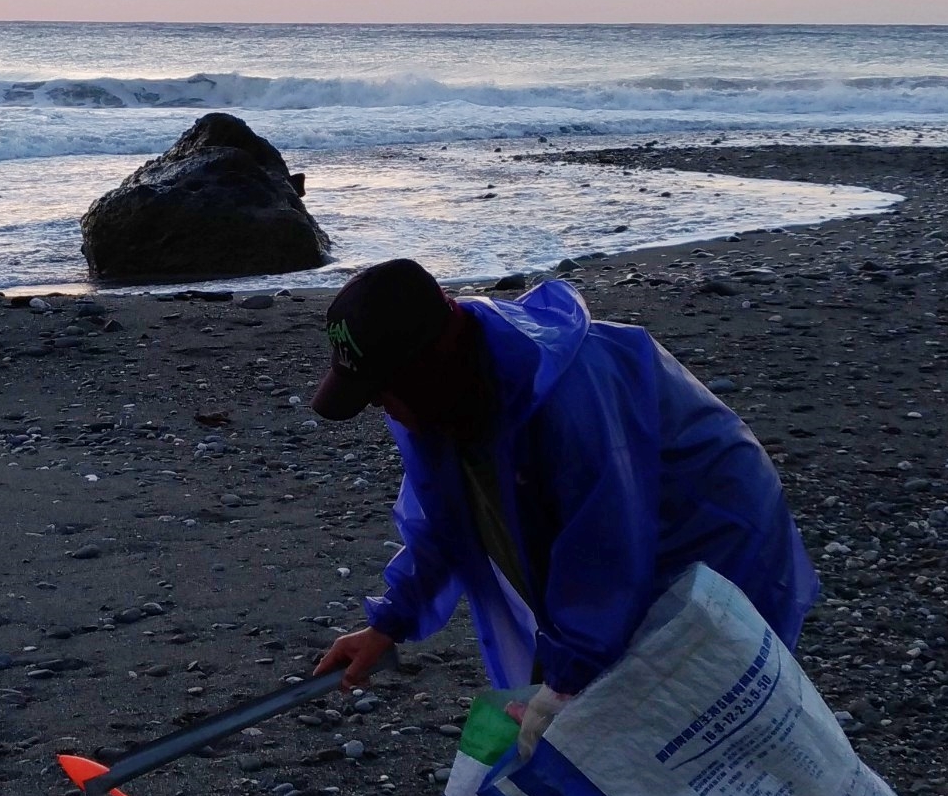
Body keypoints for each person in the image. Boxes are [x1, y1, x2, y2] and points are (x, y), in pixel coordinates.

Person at [307, 258, 821, 757]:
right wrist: (389, 623)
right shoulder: (442, 395)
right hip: (619, 535)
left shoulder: (571, 396)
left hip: (712, 531)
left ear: (427, 366)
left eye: (382, 392)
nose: (380, 406)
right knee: (608, 716)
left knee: (703, 713)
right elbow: (445, 521)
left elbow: (603, 553)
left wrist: (566, 685)